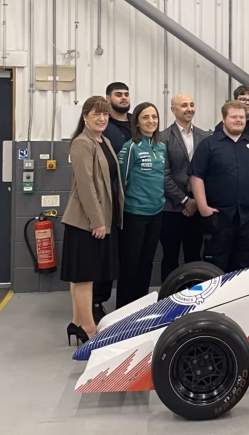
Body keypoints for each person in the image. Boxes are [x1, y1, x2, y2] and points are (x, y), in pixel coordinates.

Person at [61, 96, 124, 343]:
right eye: (96, 114)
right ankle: (89, 328)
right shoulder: (81, 143)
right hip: (86, 222)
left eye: (105, 114)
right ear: (85, 116)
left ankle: (76, 323)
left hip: (101, 219)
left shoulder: (103, 141)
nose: (102, 118)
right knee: (85, 276)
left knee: (82, 275)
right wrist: (96, 221)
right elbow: (86, 185)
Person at [190, 101, 249, 272]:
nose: (238, 120)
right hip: (218, 217)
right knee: (216, 266)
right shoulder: (209, 144)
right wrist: (203, 207)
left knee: (245, 264)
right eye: (234, 117)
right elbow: (196, 176)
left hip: (247, 216)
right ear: (224, 119)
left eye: (241, 117)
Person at [116, 102, 167, 309]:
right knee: (131, 264)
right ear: (136, 121)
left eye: (154, 117)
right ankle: (124, 309)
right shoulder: (130, 147)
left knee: (147, 263)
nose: (151, 121)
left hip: (157, 213)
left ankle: (140, 307)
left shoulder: (161, 147)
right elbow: (120, 182)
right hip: (134, 214)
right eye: (145, 117)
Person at [160, 94, 211, 281]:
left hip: (197, 207)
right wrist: (184, 201)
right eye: (183, 105)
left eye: (191, 104)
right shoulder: (163, 138)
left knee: (194, 256)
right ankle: (167, 301)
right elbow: (163, 175)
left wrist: (196, 201)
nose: (189, 108)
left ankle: (194, 297)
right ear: (173, 110)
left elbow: (208, 172)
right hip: (172, 209)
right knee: (170, 257)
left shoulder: (205, 137)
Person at [93, 82, 131, 321]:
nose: (124, 98)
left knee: (129, 255)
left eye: (126, 94)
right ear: (108, 99)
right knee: (104, 254)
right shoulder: (104, 128)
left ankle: (129, 303)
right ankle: (97, 301)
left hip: (132, 202)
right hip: (108, 202)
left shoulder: (136, 124)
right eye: (118, 94)